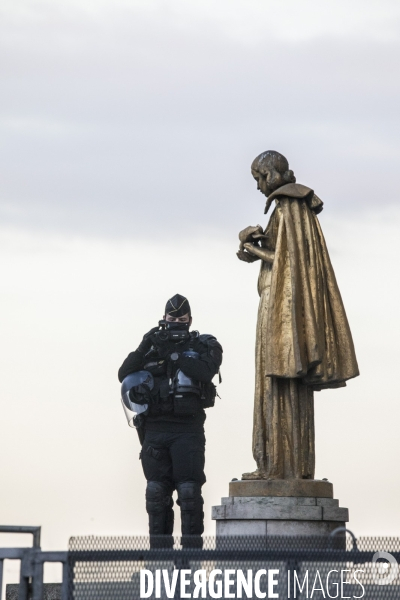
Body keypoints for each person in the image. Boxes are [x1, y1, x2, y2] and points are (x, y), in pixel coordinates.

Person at [237, 150, 359, 481]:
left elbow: (285, 261)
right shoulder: (297, 209)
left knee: (276, 384)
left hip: (281, 311)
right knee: (287, 387)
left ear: (270, 175)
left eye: (259, 179)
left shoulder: (287, 206)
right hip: (287, 308)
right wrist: (258, 250)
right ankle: (293, 466)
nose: (259, 186)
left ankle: (276, 467)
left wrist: (249, 247)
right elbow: (288, 256)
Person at [118, 294, 222, 547]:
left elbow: (206, 372)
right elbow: (123, 374)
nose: (176, 322)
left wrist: (175, 355)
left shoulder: (203, 345)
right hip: (154, 430)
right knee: (156, 494)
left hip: (188, 430)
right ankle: (160, 560)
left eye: (181, 319)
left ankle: (190, 560)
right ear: (164, 318)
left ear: (190, 320)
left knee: (189, 493)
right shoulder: (152, 345)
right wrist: (145, 345)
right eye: (172, 318)